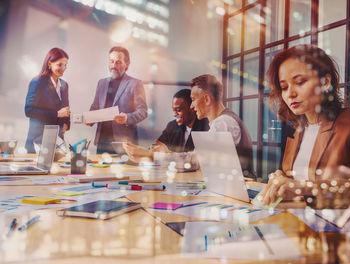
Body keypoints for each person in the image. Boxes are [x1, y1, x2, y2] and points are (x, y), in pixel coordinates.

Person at [259, 45, 350, 205]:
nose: (290, 94)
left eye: (300, 82)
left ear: (325, 82)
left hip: (336, 226)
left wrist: (305, 188)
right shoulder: (298, 130)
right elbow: (297, 184)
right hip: (297, 221)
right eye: (284, 87)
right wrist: (283, 181)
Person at [124, 74, 256, 178]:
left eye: (193, 99)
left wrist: (150, 156)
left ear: (207, 99)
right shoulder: (223, 121)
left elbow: (194, 161)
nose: (192, 106)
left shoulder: (223, 122)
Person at [86, 46, 147, 154]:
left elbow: (143, 112)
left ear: (127, 64)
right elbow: (95, 107)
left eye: (118, 62)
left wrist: (127, 118)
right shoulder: (102, 83)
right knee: (101, 171)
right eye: (111, 61)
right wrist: (90, 118)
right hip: (102, 141)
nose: (113, 66)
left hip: (124, 143)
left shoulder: (135, 83)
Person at [25, 47, 71, 153]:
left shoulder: (64, 85)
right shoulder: (38, 82)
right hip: (37, 141)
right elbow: (29, 110)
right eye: (60, 64)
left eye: (65, 65)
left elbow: (66, 110)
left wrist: (66, 124)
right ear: (49, 64)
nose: (63, 68)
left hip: (56, 141)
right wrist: (57, 114)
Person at [153, 89, 209, 153]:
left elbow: (198, 158)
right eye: (173, 110)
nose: (174, 115)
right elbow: (159, 147)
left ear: (192, 108)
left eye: (178, 110)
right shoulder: (172, 126)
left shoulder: (206, 128)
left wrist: (170, 154)